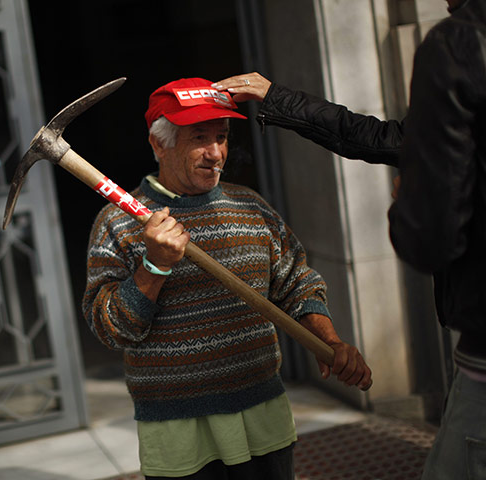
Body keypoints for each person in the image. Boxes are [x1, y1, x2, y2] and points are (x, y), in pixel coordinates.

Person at [213, 1, 486, 478]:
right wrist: (277, 97)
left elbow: (426, 238)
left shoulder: (460, 43)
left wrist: (408, 202)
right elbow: (383, 138)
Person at [82, 77, 372, 480]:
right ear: (158, 143)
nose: (216, 153)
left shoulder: (250, 207)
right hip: (178, 432)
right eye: (199, 138)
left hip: (263, 414)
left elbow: (297, 283)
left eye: (222, 136)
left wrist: (330, 341)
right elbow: (111, 329)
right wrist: (155, 266)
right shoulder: (118, 224)